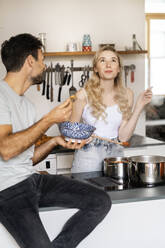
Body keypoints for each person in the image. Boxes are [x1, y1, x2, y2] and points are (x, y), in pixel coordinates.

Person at [0, 33, 111, 248]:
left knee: (100, 201)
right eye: (42, 60)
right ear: (30, 62)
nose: (45, 65)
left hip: (32, 181)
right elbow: (5, 149)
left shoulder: (26, 105)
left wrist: (55, 141)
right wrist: (49, 119)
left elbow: (28, 158)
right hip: (7, 190)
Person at [71, 45, 152, 173]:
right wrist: (81, 136)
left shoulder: (127, 94)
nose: (108, 65)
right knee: (88, 193)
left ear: (119, 68)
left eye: (113, 60)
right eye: (102, 60)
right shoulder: (83, 95)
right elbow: (71, 132)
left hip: (116, 156)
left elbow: (123, 137)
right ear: (95, 68)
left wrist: (139, 106)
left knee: (115, 193)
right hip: (88, 156)